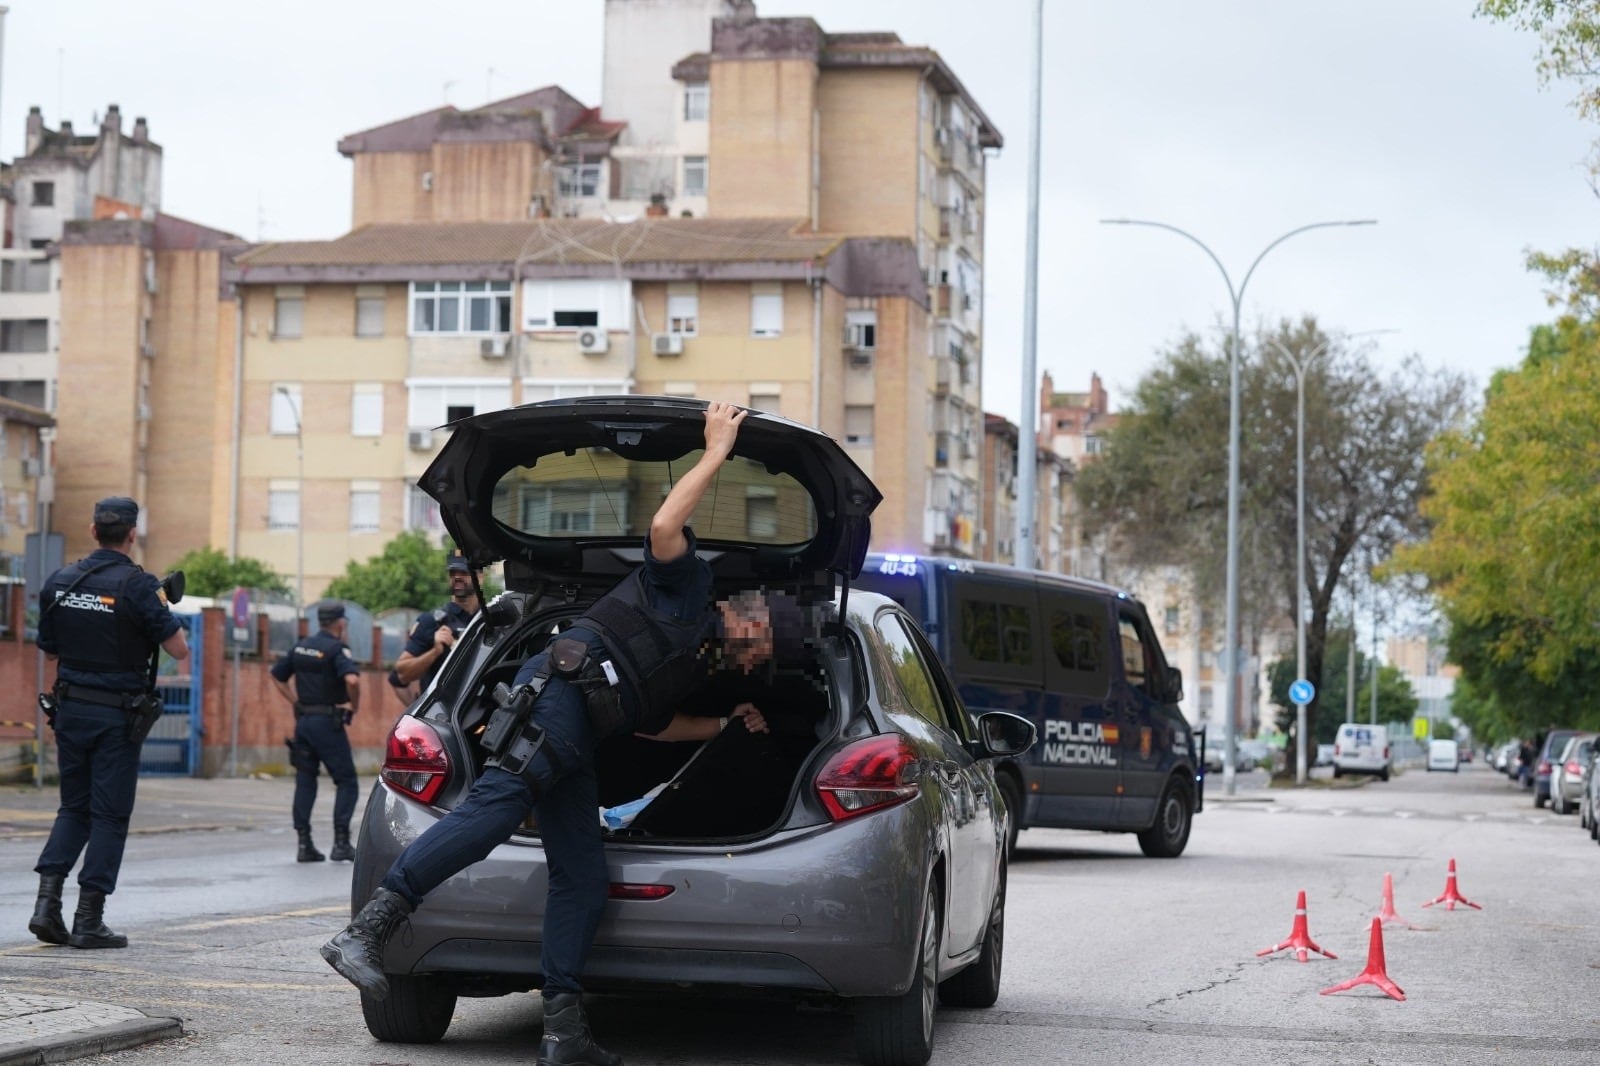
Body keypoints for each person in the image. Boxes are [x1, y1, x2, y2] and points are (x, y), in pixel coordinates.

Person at [320, 402, 803, 1066]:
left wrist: (725, 722)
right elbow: (665, 522)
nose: (755, 654)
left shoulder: (687, 659)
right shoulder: (689, 585)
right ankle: (367, 933)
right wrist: (717, 449)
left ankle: (563, 1033)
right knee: (494, 810)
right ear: (750, 615)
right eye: (763, 639)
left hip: (579, 732)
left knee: (582, 878)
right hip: (557, 701)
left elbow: (658, 726)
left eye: (763, 656)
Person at [29, 497, 190, 949]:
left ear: (93, 529)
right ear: (132, 534)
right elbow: (178, 650)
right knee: (110, 816)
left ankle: (46, 905)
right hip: (116, 715)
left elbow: (50, 647)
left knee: (73, 809)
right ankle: (88, 919)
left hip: (70, 709)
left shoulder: (60, 580)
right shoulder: (139, 587)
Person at [271, 601, 363, 863]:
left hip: (304, 723)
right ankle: (341, 843)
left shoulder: (301, 646)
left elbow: (276, 676)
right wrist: (354, 705)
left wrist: (295, 702)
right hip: (327, 724)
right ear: (340, 623)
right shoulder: (337, 648)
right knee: (347, 781)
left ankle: (304, 844)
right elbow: (353, 680)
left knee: (305, 780)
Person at [392, 549, 483, 693]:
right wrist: (435, 652)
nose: (457, 577)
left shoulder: (491, 621)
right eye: (453, 573)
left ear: (480, 577)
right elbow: (401, 674)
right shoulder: (432, 621)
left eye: (464, 572)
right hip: (439, 712)